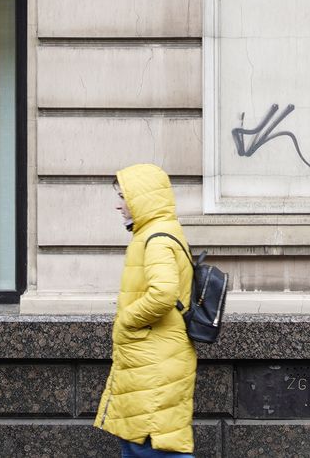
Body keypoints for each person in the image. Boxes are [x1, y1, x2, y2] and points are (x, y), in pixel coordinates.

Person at [95, 163, 197, 457]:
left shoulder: (157, 239)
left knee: (154, 443)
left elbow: (163, 294)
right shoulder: (155, 233)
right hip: (151, 357)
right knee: (141, 440)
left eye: (123, 197)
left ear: (141, 198)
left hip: (154, 359)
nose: (119, 205)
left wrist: (126, 321)